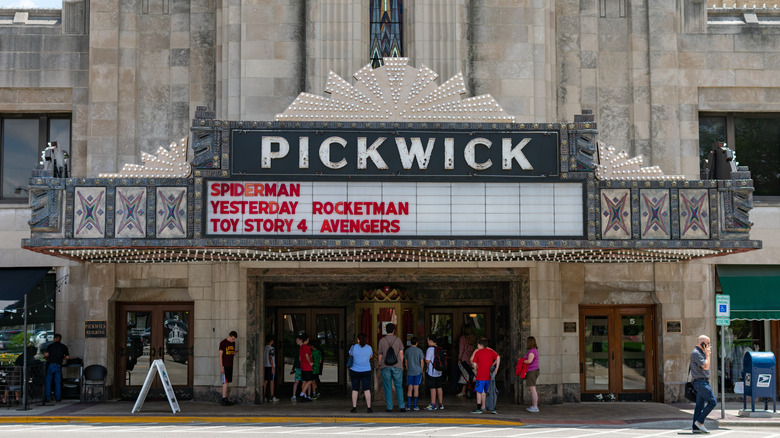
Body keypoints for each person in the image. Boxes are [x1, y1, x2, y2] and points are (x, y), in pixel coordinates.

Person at [690, 335, 716, 434]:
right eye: (708, 343)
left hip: (702, 381)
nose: (709, 345)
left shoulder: (701, 352)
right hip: (700, 382)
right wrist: (708, 355)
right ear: (702, 343)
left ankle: (695, 428)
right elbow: (705, 366)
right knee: (713, 402)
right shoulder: (696, 353)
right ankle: (700, 422)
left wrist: (706, 353)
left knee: (699, 406)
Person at [378, 322, 406, 412]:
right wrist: (401, 364)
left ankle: (389, 407)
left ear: (386, 330)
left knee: (387, 386)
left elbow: (380, 355)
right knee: (398, 386)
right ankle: (402, 406)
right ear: (394, 330)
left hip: (385, 366)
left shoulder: (382, 341)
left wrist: (380, 364)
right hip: (397, 365)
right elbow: (401, 353)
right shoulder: (398, 340)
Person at [469, 338, 500, 414]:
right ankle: (489, 407)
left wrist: (475, 369)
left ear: (481, 345)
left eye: (478, 345)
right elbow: (498, 357)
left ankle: (479, 408)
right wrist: (496, 367)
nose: (477, 346)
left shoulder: (478, 353)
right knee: (488, 392)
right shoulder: (490, 351)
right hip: (488, 377)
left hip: (480, 376)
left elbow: (474, 364)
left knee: (479, 391)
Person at [349, 333, 373, 413]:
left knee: (355, 389)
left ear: (358, 340)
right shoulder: (369, 348)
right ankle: (369, 408)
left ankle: (354, 408)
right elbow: (370, 357)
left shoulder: (353, 347)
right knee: (367, 389)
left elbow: (350, 355)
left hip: (355, 371)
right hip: (366, 370)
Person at [44, 333, 69, 403]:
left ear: (54, 339)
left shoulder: (50, 346)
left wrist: (47, 357)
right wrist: (62, 357)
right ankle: (58, 398)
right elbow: (67, 357)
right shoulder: (64, 347)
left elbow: (46, 355)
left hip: (51, 365)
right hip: (58, 365)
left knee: (48, 381)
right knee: (58, 382)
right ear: (60, 339)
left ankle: (47, 397)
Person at [424, 335, 444, 410]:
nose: (427, 342)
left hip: (432, 372)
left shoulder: (430, 349)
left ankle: (433, 404)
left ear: (431, 341)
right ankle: (440, 404)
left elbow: (428, 360)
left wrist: (425, 358)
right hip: (439, 371)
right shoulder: (439, 349)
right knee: (439, 387)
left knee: (432, 387)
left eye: (428, 340)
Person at [404, 337, 424, 411]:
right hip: (418, 372)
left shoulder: (407, 351)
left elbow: (406, 361)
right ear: (417, 343)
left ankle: (409, 405)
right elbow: (422, 362)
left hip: (410, 372)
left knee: (410, 388)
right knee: (416, 388)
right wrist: (421, 370)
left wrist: (407, 368)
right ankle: (415, 405)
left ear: (410, 342)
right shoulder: (419, 351)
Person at [456, 326, 477, 397]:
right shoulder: (473, 338)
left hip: (464, 358)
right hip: (471, 358)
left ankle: (463, 390)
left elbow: (461, 349)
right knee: (470, 374)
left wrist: (459, 358)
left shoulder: (463, 339)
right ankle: (469, 389)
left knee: (465, 375)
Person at [218, 330, 238, 406]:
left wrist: (234, 352)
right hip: (225, 365)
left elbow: (230, 353)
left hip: (230, 364)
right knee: (225, 382)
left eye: (234, 340)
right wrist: (221, 367)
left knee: (227, 381)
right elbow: (220, 356)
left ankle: (226, 397)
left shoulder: (233, 344)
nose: (233, 341)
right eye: (232, 339)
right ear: (229, 336)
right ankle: (224, 398)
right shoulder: (223, 343)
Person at [523, 336, 540, 412]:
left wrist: (521, 361)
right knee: (532, 389)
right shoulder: (534, 350)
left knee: (532, 389)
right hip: (534, 370)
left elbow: (529, 361)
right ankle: (534, 405)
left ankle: (535, 406)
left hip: (532, 371)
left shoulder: (532, 351)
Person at [298, 333, 314, 401]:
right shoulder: (307, 347)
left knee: (304, 381)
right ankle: (302, 394)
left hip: (302, 365)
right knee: (310, 380)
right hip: (307, 366)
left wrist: (302, 363)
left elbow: (299, 357)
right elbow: (307, 355)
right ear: (307, 339)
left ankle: (304, 395)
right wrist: (310, 362)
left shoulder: (301, 347)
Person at [263, 335, 279, 402]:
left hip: (265, 366)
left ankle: (263, 396)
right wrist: (272, 367)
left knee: (265, 381)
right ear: (272, 341)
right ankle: (272, 396)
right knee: (271, 381)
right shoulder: (271, 348)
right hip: (270, 366)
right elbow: (270, 357)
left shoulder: (265, 348)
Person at [290, 335, 302, 401]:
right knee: (297, 381)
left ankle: (303, 394)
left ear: (301, 340)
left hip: (302, 367)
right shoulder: (297, 349)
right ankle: (294, 395)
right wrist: (293, 368)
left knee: (302, 382)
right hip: (298, 368)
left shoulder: (303, 348)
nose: (296, 341)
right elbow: (296, 360)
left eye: (297, 340)